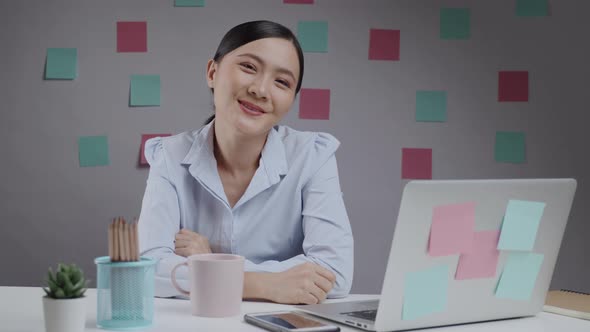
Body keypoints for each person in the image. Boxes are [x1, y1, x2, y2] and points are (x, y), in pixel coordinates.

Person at [138, 20, 353, 305]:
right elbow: (145, 270)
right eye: (249, 67)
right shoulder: (169, 155)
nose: (261, 90)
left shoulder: (313, 156)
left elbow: (334, 274)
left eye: (282, 82)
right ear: (212, 73)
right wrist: (263, 284)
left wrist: (209, 261)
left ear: (291, 99)